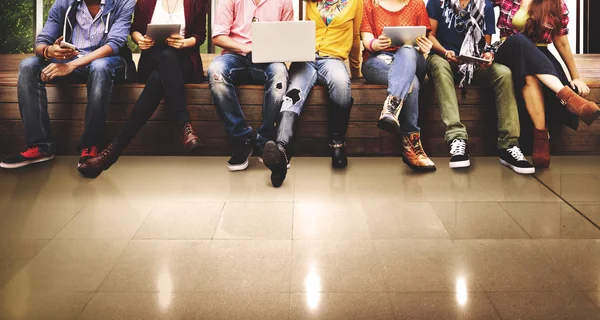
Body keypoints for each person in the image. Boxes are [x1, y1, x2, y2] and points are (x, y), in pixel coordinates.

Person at [78, 0, 209, 178]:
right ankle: (185, 125)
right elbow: (135, 29)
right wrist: (140, 40)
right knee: (163, 56)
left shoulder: (196, 2)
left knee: (161, 70)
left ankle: (112, 152)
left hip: (182, 62)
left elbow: (200, 35)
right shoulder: (146, 1)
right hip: (151, 58)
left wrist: (184, 42)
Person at [0, 0, 136, 170]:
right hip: (71, 61)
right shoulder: (64, 3)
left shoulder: (123, 2)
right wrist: (49, 51)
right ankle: (41, 146)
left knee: (99, 67)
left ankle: (91, 145)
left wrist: (71, 65)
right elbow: (41, 42)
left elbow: (115, 43)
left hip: (109, 62)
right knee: (28, 66)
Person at [261, 0, 363, 187]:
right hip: (306, 59)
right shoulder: (310, 2)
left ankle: (337, 142)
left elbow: (355, 36)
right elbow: (302, 33)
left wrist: (356, 71)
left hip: (332, 59)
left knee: (342, 85)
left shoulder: (356, 2)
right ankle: (281, 152)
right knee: (292, 95)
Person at [426, 0, 534, 174]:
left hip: (472, 62)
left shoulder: (486, 6)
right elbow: (429, 35)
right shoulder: (437, 2)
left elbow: (485, 44)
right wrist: (445, 52)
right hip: (443, 57)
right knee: (439, 65)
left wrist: (487, 56)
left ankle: (508, 145)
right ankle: (456, 138)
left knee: (504, 73)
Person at [492, 0, 600, 168]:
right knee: (519, 40)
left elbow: (562, 42)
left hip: (539, 55)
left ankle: (541, 137)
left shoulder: (556, 4)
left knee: (530, 75)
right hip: (508, 50)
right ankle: (570, 99)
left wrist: (576, 76)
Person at [207, 0, 293, 172]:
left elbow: (287, 37)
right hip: (234, 55)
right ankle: (241, 141)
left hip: (268, 58)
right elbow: (218, 36)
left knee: (280, 74)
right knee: (215, 71)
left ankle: (266, 141)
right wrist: (245, 48)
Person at [360, 0, 435, 172]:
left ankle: (391, 109)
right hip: (378, 60)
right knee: (412, 83)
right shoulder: (370, 3)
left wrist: (425, 49)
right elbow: (367, 39)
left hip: (413, 59)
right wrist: (375, 45)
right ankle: (412, 147)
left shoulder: (417, 4)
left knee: (407, 50)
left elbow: (425, 39)